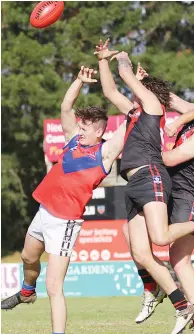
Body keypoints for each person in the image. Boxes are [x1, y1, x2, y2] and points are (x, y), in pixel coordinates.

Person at [94, 39, 194, 334]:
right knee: (136, 242)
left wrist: (121, 59)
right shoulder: (166, 114)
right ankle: (159, 292)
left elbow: (168, 157)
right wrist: (105, 62)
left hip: (187, 192)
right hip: (153, 183)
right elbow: (164, 99)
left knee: (177, 258)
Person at [1, 66, 127, 334]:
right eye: (80, 126)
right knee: (27, 256)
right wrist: (79, 81)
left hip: (65, 222)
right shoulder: (72, 142)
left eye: (85, 128)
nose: (79, 129)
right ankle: (26, 291)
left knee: (54, 286)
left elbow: (132, 119)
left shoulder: (104, 154)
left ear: (99, 132)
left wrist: (138, 96)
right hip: (44, 211)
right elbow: (66, 106)